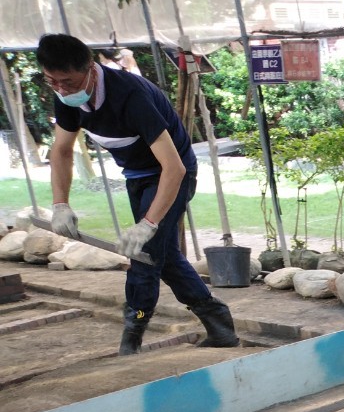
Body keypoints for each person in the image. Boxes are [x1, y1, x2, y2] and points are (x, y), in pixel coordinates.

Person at [36, 33, 239, 356]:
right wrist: (60, 204)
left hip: (172, 173)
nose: (61, 89)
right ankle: (219, 323)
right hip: (137, 176)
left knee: (144, 254)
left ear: (90, 68)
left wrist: (148, 224)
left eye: (68, 82)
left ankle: (132, 337)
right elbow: (61, 150)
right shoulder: (66, 95)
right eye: (52, 82)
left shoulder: (130, 95)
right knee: (161, 254)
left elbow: (174, 168)